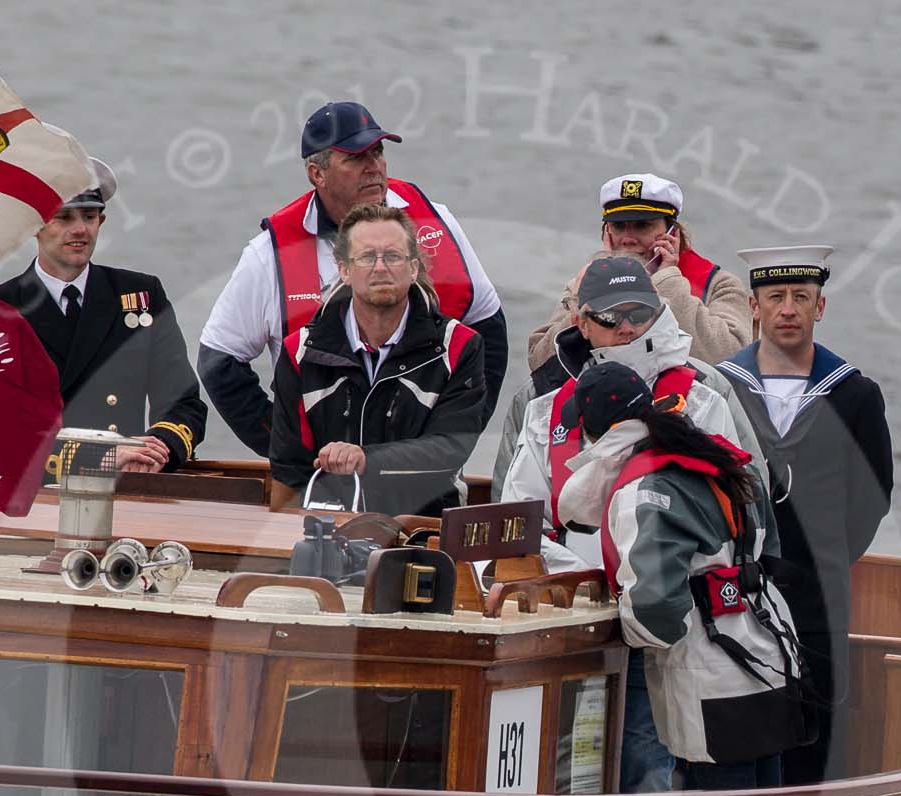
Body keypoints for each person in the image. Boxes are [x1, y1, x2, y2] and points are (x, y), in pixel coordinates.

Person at [492, 256, 758, 796]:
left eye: (640, 314)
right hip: (569, 629)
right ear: (582, 323)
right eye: (612, 318)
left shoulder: (702, 400)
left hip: (662, 634)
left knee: (645, 782)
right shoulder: (549, 412)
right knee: (548, 781)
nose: (627, 329)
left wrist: (639, 579)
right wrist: (579, 578)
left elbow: (739, 510)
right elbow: (518, 518)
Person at [559, 362, 803, 796]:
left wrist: (620, 630)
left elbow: (659, 610)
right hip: (768, 668)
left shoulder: (642, 486)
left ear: (595, 430)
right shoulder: (708, 456)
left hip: (716, 683)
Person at [718, 246, 894, 796]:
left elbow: (874, 496)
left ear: (820, 307)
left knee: (821, 757)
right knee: (750, 750)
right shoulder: (722, 388)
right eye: (775, 297)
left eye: (800, 296)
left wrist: (823, 557)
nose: (787, 308)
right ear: (754, 308)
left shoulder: (855, 395)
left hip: (819, 597)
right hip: (743, 596)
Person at [199, 101, 509, 454]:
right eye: (357, 158)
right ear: (317, 174)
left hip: (423, 471)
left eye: (377, 152)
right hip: (320, 475)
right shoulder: (271, 254)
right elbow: (219, 360)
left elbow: (488, 325)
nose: (374, 167)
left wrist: (459, 432)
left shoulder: (435, 222)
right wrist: (286, 446)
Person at [265, 204, 487, 517]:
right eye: (367, 257)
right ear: (343, 270)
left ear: (413, 268)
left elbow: (450, 448)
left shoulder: (458, 347)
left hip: (423, 528)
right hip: (328, 527)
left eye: (393, 257)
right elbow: (289, 468)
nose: (380, 268)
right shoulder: (300, 352)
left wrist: (365, 459)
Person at [0, 164, 206, 478]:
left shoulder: (142, 295)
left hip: (128, 486)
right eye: (64, 217)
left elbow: (184, 402)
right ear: (34, 225)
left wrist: (158, 446)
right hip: (35, 495)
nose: (80, 230)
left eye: (89, 217)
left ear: (101, 221)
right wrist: (102, 456)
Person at [526, 174, 752, 371]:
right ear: (606, 231)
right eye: (618, 226)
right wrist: (586, 296)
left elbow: (731, 361)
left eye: (642, 226)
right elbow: (540, 363)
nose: (628, 239)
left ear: (673, 233)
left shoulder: (718, 285)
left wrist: (668, 282)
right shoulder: (582, 284)